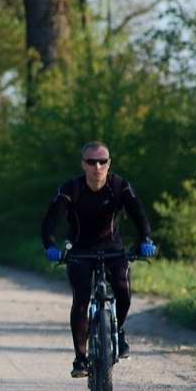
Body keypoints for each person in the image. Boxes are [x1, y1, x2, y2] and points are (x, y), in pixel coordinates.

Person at [41, 141, 157, 378]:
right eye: (92, 162)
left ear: (109, 163)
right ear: (83, 164)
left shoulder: (119, 186)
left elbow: (139, 215)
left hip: (114, 249)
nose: (97, 166)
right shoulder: (71, 188)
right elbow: (50, 221)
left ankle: (119, 330)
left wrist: (146, 240)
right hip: (80, 250)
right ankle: (81, 358)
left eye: (102, 161)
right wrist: (50, 245)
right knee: (81, 300)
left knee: (123, 292)